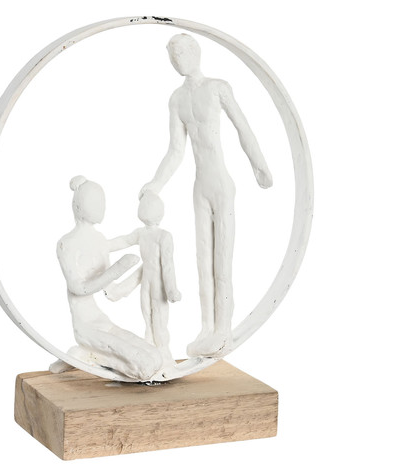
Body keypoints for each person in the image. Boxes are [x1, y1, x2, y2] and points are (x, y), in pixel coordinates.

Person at [140, 34, 273, 357]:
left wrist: (260, 166)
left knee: (221, 259)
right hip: (199, 187)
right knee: (202, 258)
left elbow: (243, 128)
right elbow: (176, 150)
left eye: (182, 53)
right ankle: (206, 327)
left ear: (196, 52)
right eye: (173, 56)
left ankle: (223, 328)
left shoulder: (217, 88)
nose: (178, 61)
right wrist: (155, 184)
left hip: (221, 185)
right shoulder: (176, 99)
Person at [50, 176, 163, 381]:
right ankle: (87, 355)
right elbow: (78, 288)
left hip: (102, 321)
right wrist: (118, 269)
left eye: (102, 202)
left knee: (156, 357)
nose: (101, 207)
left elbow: (114, 291)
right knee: (145, 366)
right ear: (78, 205)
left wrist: (144, 266)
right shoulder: (67, 244)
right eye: (95, 201)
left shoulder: (99, 240)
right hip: (85, 326)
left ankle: (85, 355)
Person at [106, 191, 181, 367]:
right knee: (148, 314)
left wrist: (171, 290)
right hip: (147, 281)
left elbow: (167, 265)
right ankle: (152, 351)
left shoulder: (163, 236)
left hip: (157, 283)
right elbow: (124, 241)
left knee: (157, 317)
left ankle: (163, 353)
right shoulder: (143, 233)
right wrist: (105, 246)